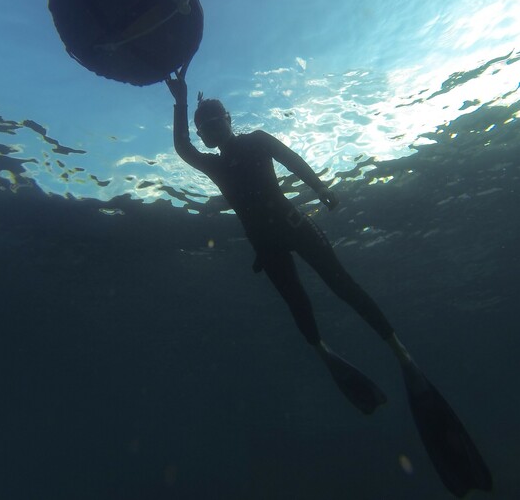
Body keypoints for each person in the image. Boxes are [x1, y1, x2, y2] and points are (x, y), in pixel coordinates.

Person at [165, 72, 492, 496]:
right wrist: (181, 99)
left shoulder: (254, 142)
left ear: (227, 121)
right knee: (303, 305)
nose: (208, 131)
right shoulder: (218, 158)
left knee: (342, 288)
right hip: (277, 241)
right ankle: (339, 352)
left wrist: (320, 190)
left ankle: (398, 353)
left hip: (289, 231)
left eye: (211, 123)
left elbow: (292, 161)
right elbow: (184, 148)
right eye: (204, 126)